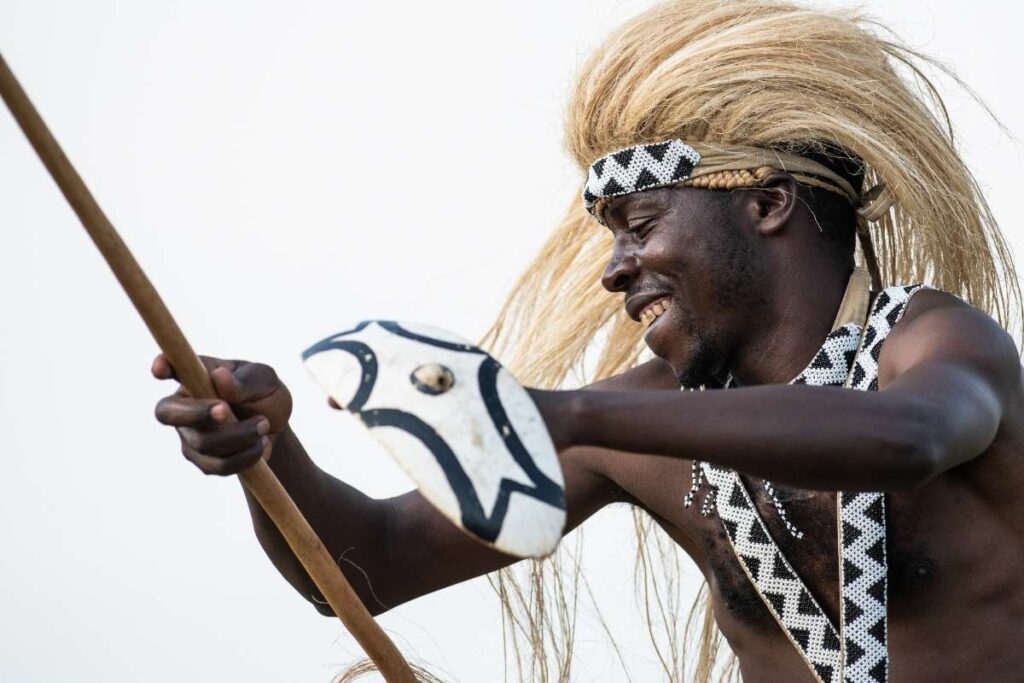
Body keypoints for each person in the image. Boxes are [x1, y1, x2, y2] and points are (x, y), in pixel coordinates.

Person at [153, 2, 1024, 681]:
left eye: (639, 223)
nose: (614, 268)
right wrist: (269, 452)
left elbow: (906, 439)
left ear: (765, 204)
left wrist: (564, 413)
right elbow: (369, 566)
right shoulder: (635, 420)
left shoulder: (936, 343)